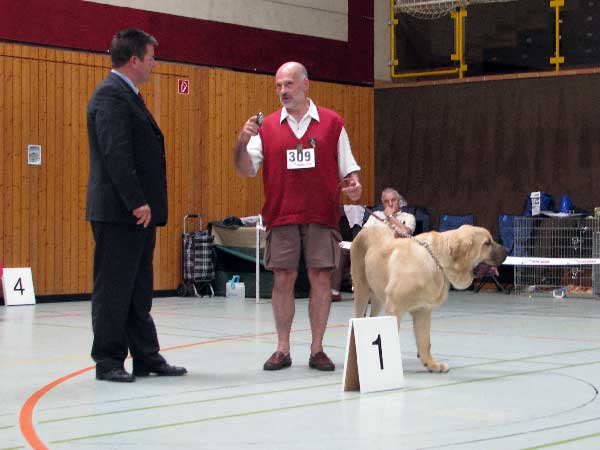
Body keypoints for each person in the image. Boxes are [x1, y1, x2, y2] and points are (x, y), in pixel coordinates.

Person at [234, 61, 362, 371]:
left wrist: (355, 185)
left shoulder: (333, 123)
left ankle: (317, 349)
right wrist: (241, 140)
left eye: (288, 84)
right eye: (278, 85)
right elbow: (245, 170)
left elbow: (350, 170)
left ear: (306, 84)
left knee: (320, 278)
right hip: (281, 215)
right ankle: (282, 348)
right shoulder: (265, 128)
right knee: (283, 278)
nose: (282, 91)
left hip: (322, 214)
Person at [86, 29, 186, 382]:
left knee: (138, 289)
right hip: (120, 214)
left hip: (136, 216)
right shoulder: (111, 97)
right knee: (114, 289)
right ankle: (109, 360)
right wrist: (137, 202)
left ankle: (146, 355)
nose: (154, 64)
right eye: (151, 57)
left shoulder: (128, 95)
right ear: (134, 60)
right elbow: (116, 155)